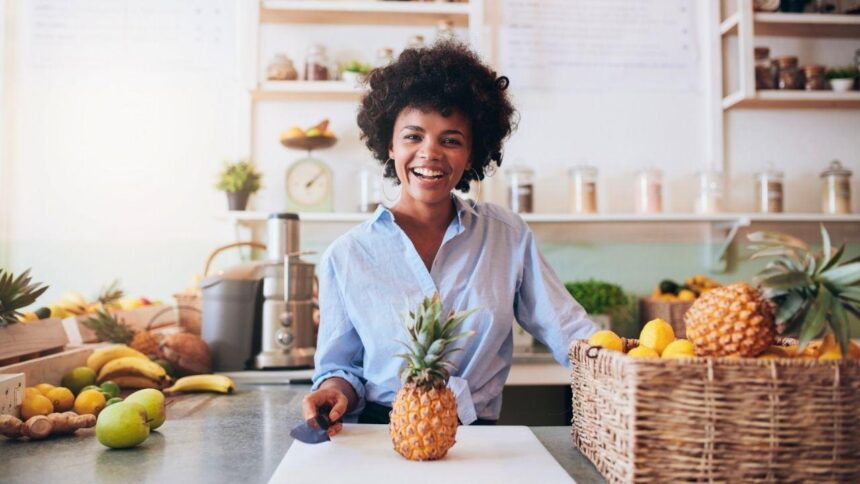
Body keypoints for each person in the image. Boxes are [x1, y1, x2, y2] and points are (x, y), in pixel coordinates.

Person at [302, 41, 597, 436]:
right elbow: (341, 368)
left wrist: (637, 362)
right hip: (381, 435)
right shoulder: (347, 254)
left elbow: (570, 331)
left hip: (480, 436)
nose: (431, 153)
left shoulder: (506, 237)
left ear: (472, 153)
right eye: (413, 136)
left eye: (451, 140)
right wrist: (334, 391)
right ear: (389, 145)